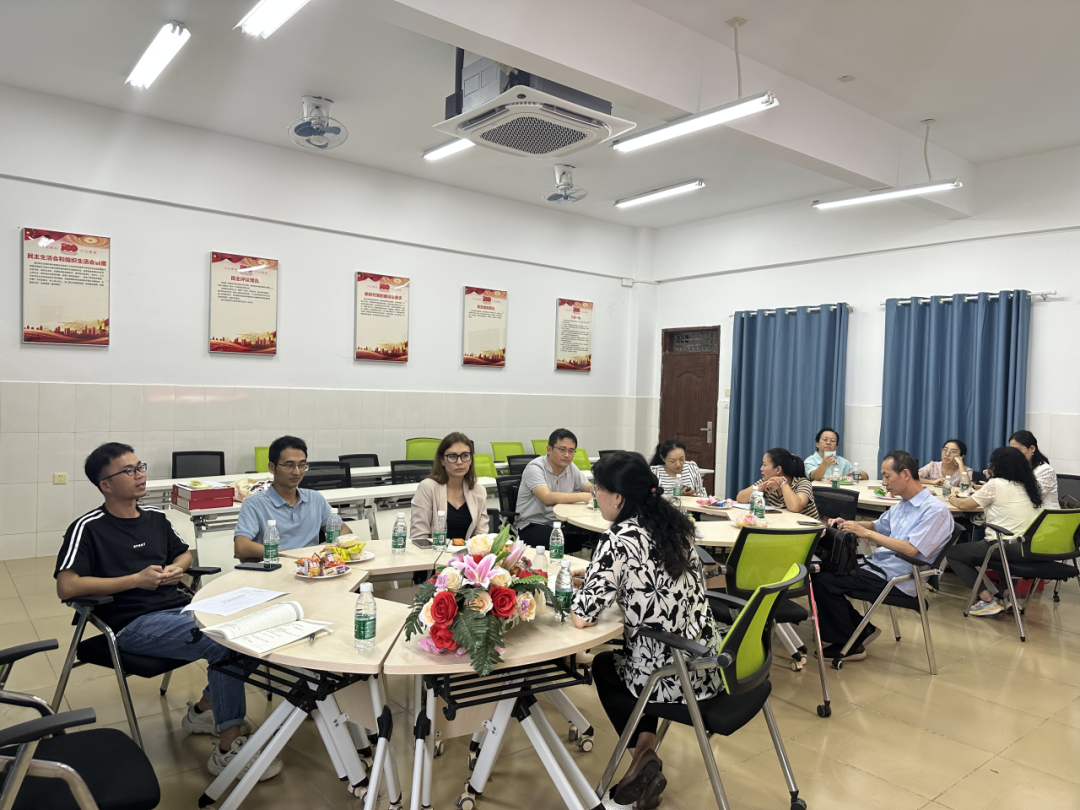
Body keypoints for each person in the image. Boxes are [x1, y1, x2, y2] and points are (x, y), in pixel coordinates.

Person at [54, 443, 281, 778]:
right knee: (223, 640)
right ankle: (227, 748)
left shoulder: (156, 518)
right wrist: (135, 580)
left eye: (140, 466)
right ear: (105, 484)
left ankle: (205, 709)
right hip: (131, 623)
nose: (140, 474)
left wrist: (178, 568)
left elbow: (184, 553)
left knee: (253, 626)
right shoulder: (88, 527)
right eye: (129, 470)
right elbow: (67, 586)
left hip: (179, 608)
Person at [570, 452, 720, 810]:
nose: (594, 496)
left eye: (597, 489)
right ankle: (645, 758)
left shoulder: (618, 538)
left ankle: (642, 756)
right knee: (637, 664)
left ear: (617, 497)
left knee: (607, 665)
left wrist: (588, 586)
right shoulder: (675, 525)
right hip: (706, 663)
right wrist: (600, 578)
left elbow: (582, 617)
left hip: (668, 675)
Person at [815, 450, 954, 661]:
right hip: (879, 566)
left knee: (825, 581)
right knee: (821, 568)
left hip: (899, 578)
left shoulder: (935, 511)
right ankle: (861, 630)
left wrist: (866, 534)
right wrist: (850, 524)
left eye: (887, 476)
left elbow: (910, 549)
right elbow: (878, 526)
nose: (884, 482)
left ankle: (851, 643)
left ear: (905, 474)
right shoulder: (904, 503)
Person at [946, 446, 1043, 616]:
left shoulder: (996, 484)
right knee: (1003, 553)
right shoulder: (1029, 486)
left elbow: (964, 504)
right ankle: (1008, 596)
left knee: (953, 553)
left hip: (1004, 547)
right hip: (1029, 548)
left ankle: (987, 600)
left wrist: (951, 496)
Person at [233, 435, 351, 559]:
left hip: (313, 566)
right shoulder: (254, 503)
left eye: (302, 465)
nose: (297, 472)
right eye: (290, 465)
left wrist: (326, 546)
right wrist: (289, 556)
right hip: (276, 565)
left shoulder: (315, 498)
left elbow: (345, 531)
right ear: (272, 467)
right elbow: (241, 547)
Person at [515, 428, 593, 548]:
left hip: (560, 523)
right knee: (561, 540)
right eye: (562, 450)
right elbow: (547, 498)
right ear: (549, 449)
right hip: (532, 525)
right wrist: (583, 496)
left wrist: (602, 491)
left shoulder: (571, 467)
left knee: (593, 534)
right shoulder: (535, 468)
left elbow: (589, 488)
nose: (567, 455)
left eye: (571, 451)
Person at [411, 432, 490, 541]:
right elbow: (419, 537)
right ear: (442, 461)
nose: (459, 462)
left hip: (467, 551)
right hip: (434, 551)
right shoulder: (427, 488)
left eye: (465, 456)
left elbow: (481, 538)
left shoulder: (479, 491)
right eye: (452, 456)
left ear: (471, 459)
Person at [736, 448, 820, 519]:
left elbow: (795, 507)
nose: (761, 468)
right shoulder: (767, 481)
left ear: (778, 470)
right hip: (785, 526)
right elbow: (740, 498)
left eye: (764, 465)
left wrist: (783, 484)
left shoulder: (802, 483)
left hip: (808, 530)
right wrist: (759, 488)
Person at [1009, 430, 1058, 509]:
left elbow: (1033, 495)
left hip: (1045, 513)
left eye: (1018, 450)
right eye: (1011, 450)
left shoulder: (1046, 470)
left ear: (1032, 448)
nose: (1014, 454)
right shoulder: (1016, 467)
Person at [804, 427, 868, 481]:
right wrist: (824, 464)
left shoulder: (843, 462)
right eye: (825, 440)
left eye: (832, 441)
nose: (828, 443)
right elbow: (815, 477)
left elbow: (866, 476)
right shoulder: (809, 461)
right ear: (817, 444)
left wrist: (858, 474)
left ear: (836, 446)